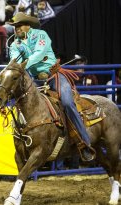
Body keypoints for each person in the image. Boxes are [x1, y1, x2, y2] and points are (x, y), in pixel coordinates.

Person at [9, 12, 95, 161]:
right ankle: (26, 142)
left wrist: (22, 66)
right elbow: (14, 60)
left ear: (28, 26)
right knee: (19, 101)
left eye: (19, 25)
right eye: (15, 26)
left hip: (53, 76)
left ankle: (84, 142)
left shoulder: (41, 35)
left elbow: (39, 53)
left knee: (68, 102)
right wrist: (15, 67)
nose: (16, 28)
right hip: (33, 80)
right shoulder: (15, 44)